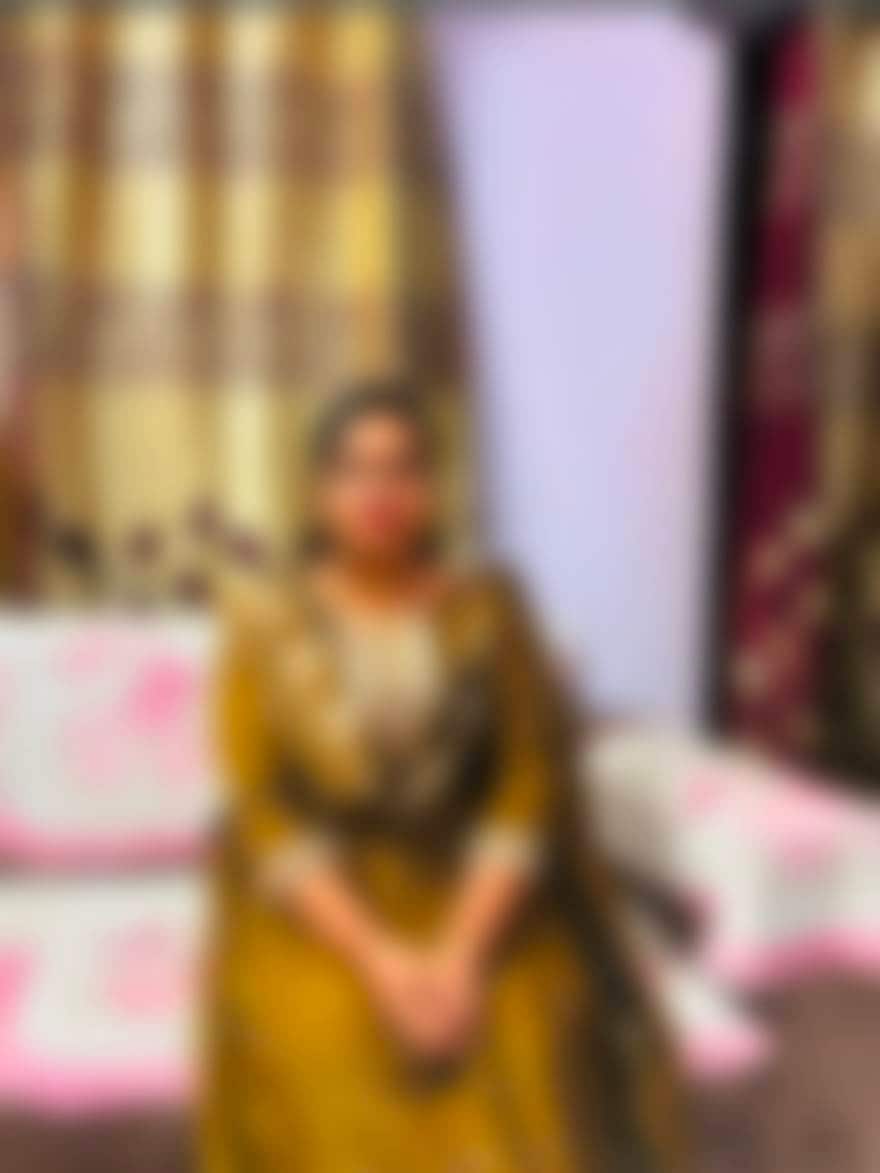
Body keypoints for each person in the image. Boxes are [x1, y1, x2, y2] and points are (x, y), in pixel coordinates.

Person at [200, 381, 690, 1172]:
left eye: (403, 468)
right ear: (318, 493)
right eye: (353, 469)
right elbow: (265, 807)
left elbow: (527, 780)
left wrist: (460, 954)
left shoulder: (489, 609)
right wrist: (384, 963)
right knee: (326, 1042)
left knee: (529, 1030)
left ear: (433, 488)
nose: (379, 491)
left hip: (472, 886)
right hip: (327, 903)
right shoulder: (263, 621)